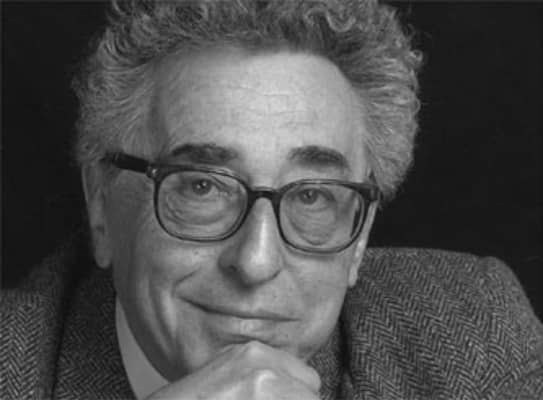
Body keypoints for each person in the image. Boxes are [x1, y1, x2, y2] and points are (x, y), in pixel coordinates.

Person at [2, 0, 542, 399]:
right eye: (202, 185)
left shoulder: (475, 339)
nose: (256, 261)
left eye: (312, 196)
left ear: (360, 238)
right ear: (100, 204)